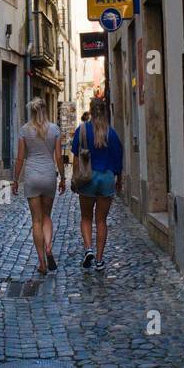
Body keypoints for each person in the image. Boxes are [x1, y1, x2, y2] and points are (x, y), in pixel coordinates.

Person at [12, 98, 66, 275]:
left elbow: (20, 158)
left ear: (32, 112)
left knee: (36, 220)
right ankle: (49, 247)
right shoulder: (54, 129)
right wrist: (63, 177)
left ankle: (42, 262)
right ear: (45, 110)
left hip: (32, 177)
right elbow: (58, 157)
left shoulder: (24, 130)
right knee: (47, 217)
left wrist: (14, 180)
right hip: (49, 176)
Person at [71, 97, 123, 271]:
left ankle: (88, 249)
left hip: (88, 178)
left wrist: (74, 178)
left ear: (91, 111)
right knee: (101, 221)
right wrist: (119, 179)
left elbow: (76, 157)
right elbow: (118, 158)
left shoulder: (82, 130)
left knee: (86, 218)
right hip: (106, 178)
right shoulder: (112, 133)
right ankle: (100, 260)